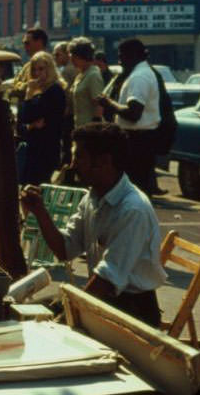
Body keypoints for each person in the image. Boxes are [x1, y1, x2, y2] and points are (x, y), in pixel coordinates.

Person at [20, 122, 166, 326]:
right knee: (27, 315)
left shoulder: (132, 209)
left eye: (78, 157)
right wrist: (40, 212)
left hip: (133, 311)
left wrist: (66, 315)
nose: (72, 165)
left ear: (104, 161)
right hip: (103, 299)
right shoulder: (93, 196)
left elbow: (106, 279)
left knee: (50, 328)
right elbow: (65, 249)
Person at [96, 38, 160, 196]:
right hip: (139, 139)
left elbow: (133, 114)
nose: (119, 61)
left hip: (138, 140)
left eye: (121, 56)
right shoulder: (139, 73)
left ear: (132, 55)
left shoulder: (139, 77)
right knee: (134, 191)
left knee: (134, 192)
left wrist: (108, 103)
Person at [17, 52, 67, 185]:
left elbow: (29, 116)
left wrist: (29, 95)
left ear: (49, 69)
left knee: (38, 187)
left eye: (41, 69)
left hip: (47, 147)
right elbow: (21, 120)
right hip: (33, 146)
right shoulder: (37, 90)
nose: (37, 73)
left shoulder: (54, 90)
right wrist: (31, 126)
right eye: (34, 69)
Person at [69, 37, 104, 128]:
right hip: (79, 126)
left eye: (75, 57)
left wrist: (95, 127)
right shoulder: (80, 75)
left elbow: (99, 105)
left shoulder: (93, 75)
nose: (72, 60)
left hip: (90, 129)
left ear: (84, 56)